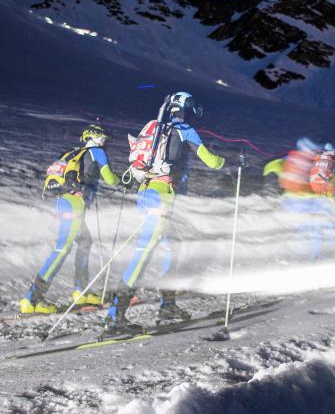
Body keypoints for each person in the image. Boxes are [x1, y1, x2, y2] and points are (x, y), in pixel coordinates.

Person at [104, 91, 225, 333]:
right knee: (144, 252)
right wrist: (229, 161)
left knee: (174, 249)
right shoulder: (184, 130)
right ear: (186, 109)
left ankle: (167, 305)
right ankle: (115, 316)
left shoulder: (155, 129)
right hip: (163, 196)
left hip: (148, 191)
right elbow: (212, 162)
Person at [19, 124, 121, 314]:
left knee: (85, 242)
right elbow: (110, 179)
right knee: (61, 250)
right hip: (74, 203)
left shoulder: (73, 153)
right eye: (104, 138)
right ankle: (32, 299)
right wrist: (126, 180)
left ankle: (81, 291)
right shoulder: (97, 152)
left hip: (64, 201)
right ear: (96, 137)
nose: (105, 143)